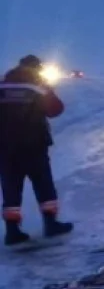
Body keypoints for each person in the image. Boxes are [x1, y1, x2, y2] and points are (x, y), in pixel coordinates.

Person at [0, 55, 73, 245]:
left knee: (11, 188)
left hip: (6, 147)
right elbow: (55, 110)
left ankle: (12, 231)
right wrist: (48, 90)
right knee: (43, 184)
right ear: (36, 68)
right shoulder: (37, 85)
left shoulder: (3, 85)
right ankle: (50, 224)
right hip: (33, 145)